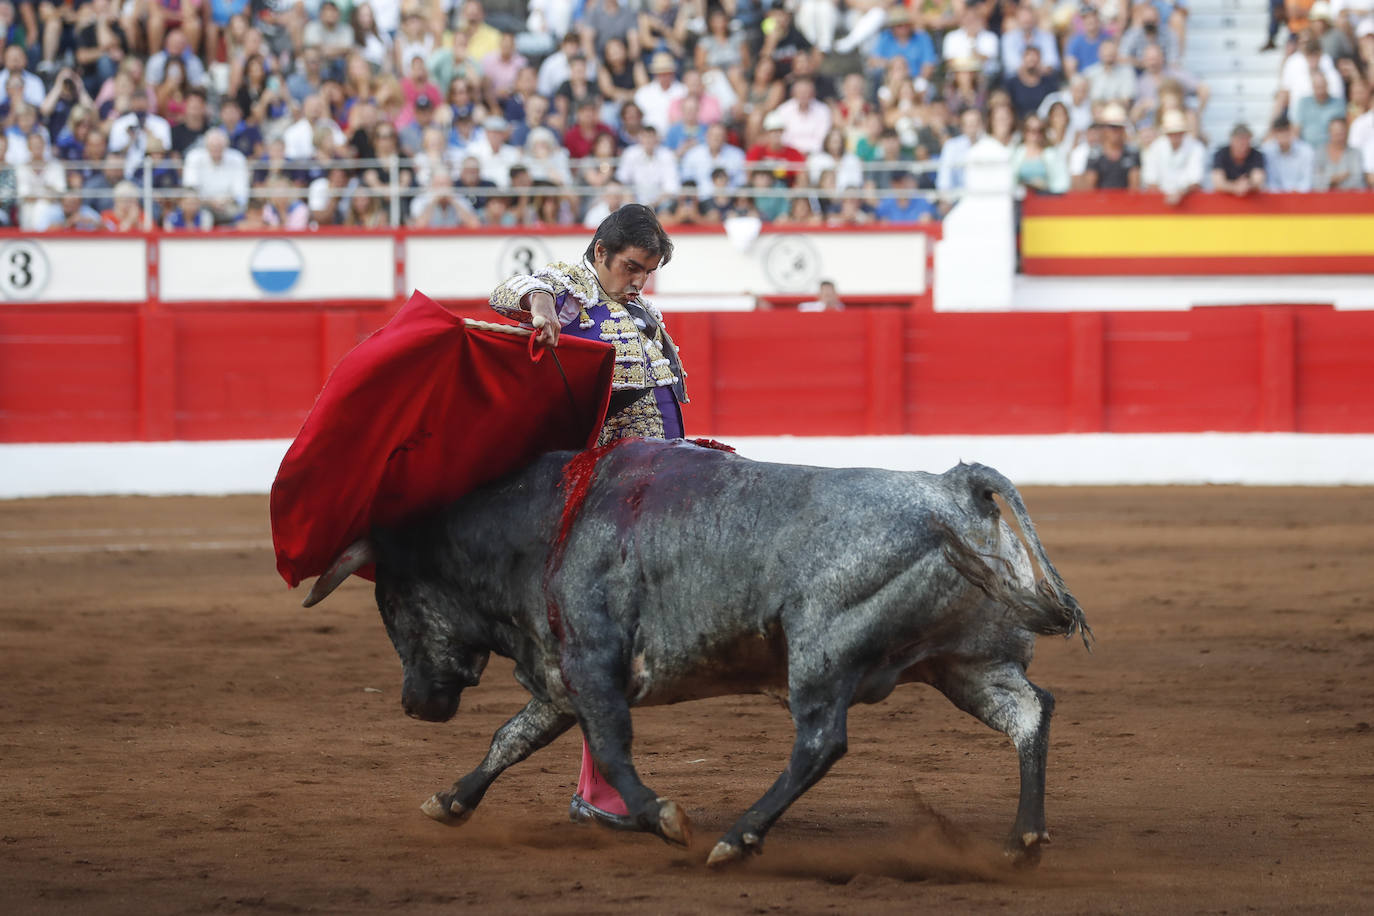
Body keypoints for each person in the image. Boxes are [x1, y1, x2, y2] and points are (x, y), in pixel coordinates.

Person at [488, 205, 687, 831]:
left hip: (658, 487)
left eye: (648, 272)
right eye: (631, 267)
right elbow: (515, 290)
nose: (638, 281)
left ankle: (597, 787)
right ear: (599, 250)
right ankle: (600, 789)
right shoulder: (571, 292)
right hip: (608, 502)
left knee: (621, 646)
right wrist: (545, 316)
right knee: (607, 645)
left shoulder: (644, 313)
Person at [1211, 123, 1267, 196]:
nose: (1242, 144)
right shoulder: (1221, 154)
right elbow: (1218, 182)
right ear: (1232, 140)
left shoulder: (1256, 155)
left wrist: (1247, 185)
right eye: (1239, 140)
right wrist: (1235, 187)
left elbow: (1258, 179)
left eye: (1245, 140)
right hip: (1224, 201)